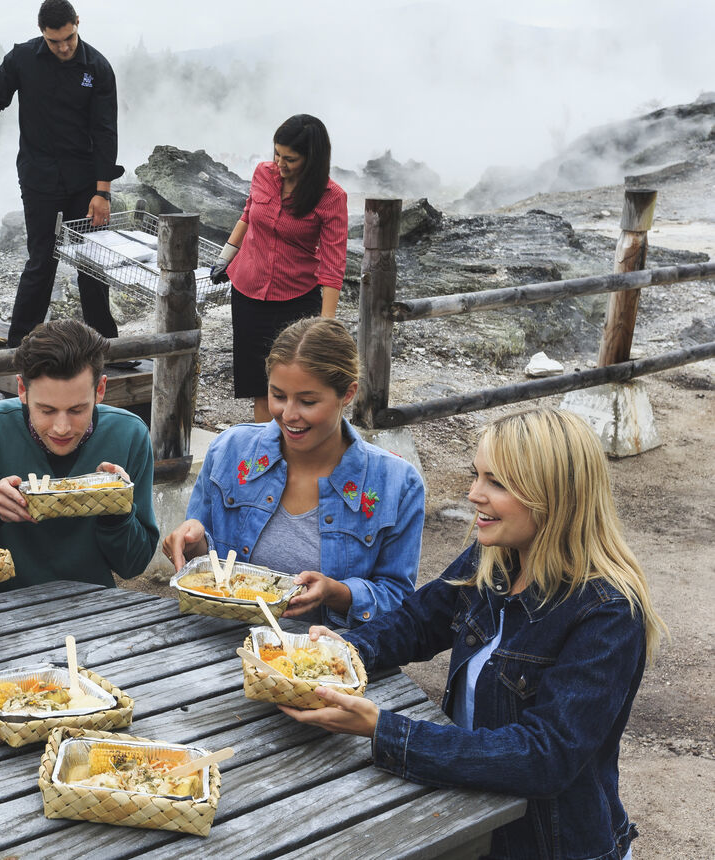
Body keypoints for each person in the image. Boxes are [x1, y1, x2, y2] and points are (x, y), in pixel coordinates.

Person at [285, 408, 667, 860]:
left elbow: (544, 756)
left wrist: (384, 730)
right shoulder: (496, 557)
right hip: (471, 816)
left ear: (554, 496)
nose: (473, 494)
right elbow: (418, 621)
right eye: (477, 475)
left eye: (496, 482)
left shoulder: (609, 613)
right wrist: (345, 650)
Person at [163, 318, 423, 628]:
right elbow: (209, 566)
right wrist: (193, 545)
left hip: (324, 653)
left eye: (307, 401)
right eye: (278, 396)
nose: (288, 415)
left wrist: (338, 593)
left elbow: (398, 599)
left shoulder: (397, 484)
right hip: (220, 640)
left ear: (348, 393)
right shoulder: (230, 451)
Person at [0, 319, 158, 590]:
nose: (62, 427)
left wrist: (117, 511)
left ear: (100, 390)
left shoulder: (129, 434)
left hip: (93, 604)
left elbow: (134, 565)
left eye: (76, 410)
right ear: (22, 390)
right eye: (46, 410)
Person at [0, 0, 124, 348]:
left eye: (69, 38)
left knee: (92, 263)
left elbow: (106, 131)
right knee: (42, 260)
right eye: (54, 41)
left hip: (85, 180)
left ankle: (105, 344)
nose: (63, 47)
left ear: (77, 22)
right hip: (39, 176)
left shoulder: (98, 67)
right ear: (42, 32)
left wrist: (102, 193)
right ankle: (20, 345)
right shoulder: (22, 59)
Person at [208, 114, 348, 422]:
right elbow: (248, 215)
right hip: (248, 293)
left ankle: (297, 444)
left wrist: (325, 325)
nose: (279, 164)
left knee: (298, 386)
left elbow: (333, 263)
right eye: (277, 154)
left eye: (290, 159)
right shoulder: (263, 173)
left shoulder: (331, 197)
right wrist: (225, 257)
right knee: (261, 386)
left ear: (312, 159)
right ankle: (266, 447)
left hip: (295, 301)